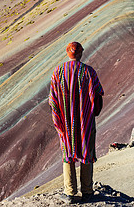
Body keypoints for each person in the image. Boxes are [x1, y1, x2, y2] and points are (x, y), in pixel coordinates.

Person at [49, 42, 104, 203]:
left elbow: (52, 100)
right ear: (80, 53)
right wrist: (93, 111)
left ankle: (70, 192)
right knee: (87, 152)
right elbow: (98, 94)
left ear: (67, 53)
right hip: (85, 121)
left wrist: (59, 115)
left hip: (66, 123)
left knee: (68, 153)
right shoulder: (89, 72)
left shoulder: (58, 72)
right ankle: (87, 191)